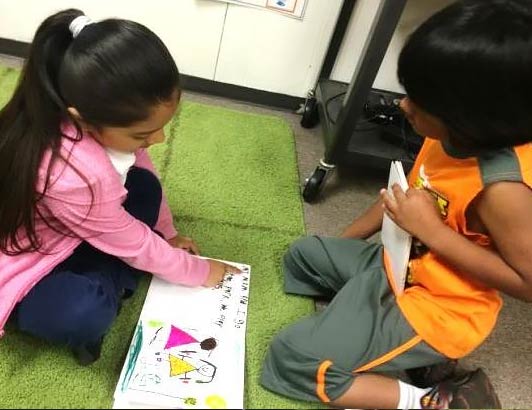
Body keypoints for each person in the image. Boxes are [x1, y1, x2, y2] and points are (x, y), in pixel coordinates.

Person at [261, 0, 532, 408]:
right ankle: (370, 325)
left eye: (420, 104)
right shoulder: (451, 135)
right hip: (397, 265)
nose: (403, 106)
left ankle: (432, 399)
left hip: (439, 307)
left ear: (470, 116)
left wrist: (432, 231)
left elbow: (527, 284)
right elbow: (400, 199)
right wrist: (345, 252)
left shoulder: (503, 189)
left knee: (291, 359)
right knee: (303, 255)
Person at [0, 9, 238, 366]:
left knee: (144, 188)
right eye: (142, 134)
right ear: (82, 117)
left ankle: (116, 273)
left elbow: (144, 175)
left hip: (76, 226)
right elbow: (134, 240)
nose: (157, 139)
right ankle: (100, 288)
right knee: (83, 312)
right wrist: (198, 272)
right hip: (28, 257)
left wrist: (168, 234)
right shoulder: (73, 172)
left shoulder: (93, 120)